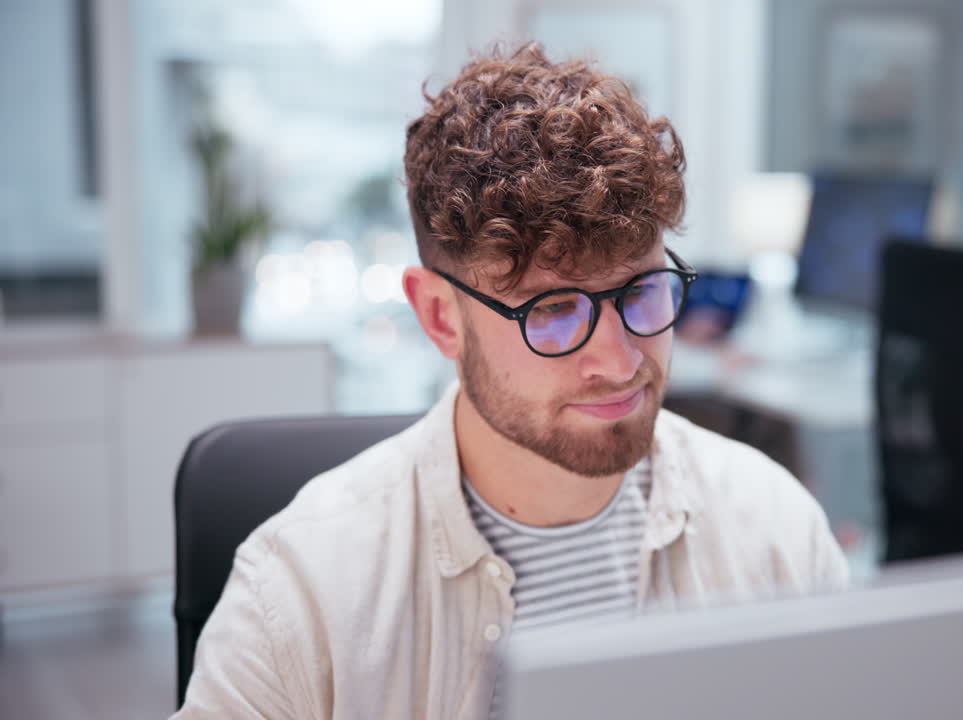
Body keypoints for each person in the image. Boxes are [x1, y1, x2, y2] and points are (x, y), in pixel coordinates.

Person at [174, 45, 849, 719]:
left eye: (643, 290)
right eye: (553, 311)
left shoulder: (775, 530)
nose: (618, 362)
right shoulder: (300, 595)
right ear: (441, 317)